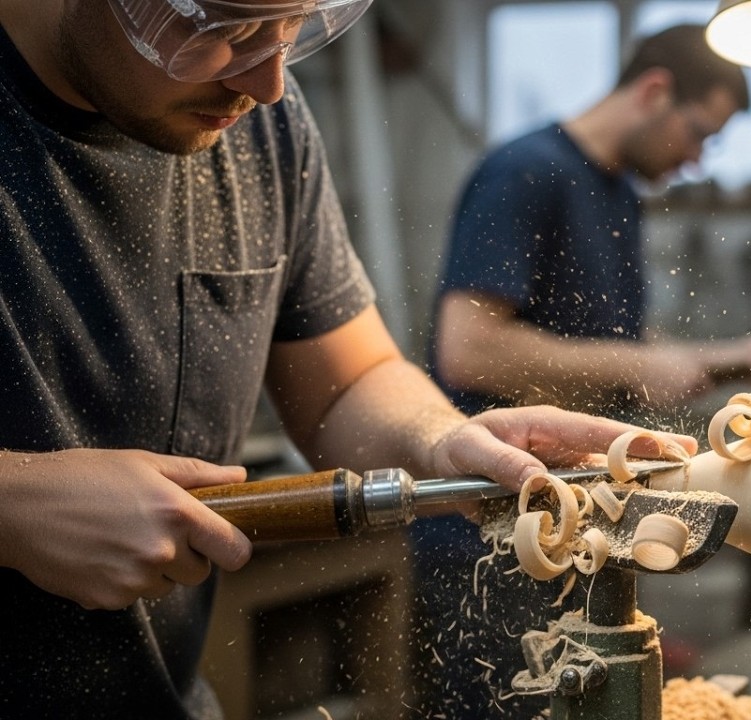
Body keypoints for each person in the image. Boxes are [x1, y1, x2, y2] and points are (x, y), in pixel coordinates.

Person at [0, 1, 695, 717]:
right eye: (226, 31)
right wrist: (10, 505)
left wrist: (442, 439)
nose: (268, 83)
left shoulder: (262, 126)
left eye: (290, 30)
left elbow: (345, 386)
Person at [416, 24, 751, 717]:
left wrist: (737, 355)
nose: (696, 159)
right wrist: (641, 362)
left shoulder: (616, 193)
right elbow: (469, 348)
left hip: (574, 518)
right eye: (699, 133)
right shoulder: (526, 172)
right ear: (655, 91)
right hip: (489, 527)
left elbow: (612, 345)